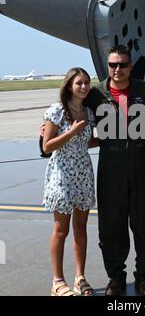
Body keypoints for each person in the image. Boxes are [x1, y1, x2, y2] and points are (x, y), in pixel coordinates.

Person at [85, 45, 145, 296]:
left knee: (144, 221)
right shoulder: (96, 93)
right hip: (110, 165)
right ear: (108, 66)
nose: (117, 69)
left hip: (140, 163)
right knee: (111, 223)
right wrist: (47, 133)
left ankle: (144, 277)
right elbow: (72, 110)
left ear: (130, 66)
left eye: (122, 64)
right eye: (112, 65)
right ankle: (116, 278)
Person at [42, 67, 97, 296]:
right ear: (69, 86)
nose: (83, 87)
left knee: (81, 229)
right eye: (78, 83)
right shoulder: (56, 111)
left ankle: (80, 277)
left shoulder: (88, 112)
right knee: (61, 230)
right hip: (62, 175)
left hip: (83, 173)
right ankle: (57, 281)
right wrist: (72, 131)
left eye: (86, 83)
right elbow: (47, 146)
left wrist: (109, 138)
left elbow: (87, 143)